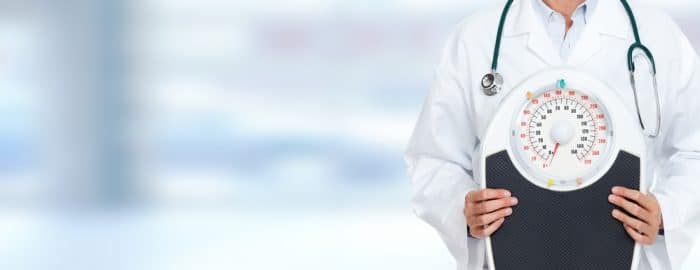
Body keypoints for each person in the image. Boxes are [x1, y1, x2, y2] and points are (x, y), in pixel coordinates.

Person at [405, 0, 700, 269]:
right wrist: (463, 207)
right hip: (511, 253)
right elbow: (433, 158)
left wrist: (666, 212)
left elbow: (694, 149)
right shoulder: (476, 37)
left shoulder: (657, 34)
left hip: (621, 252)